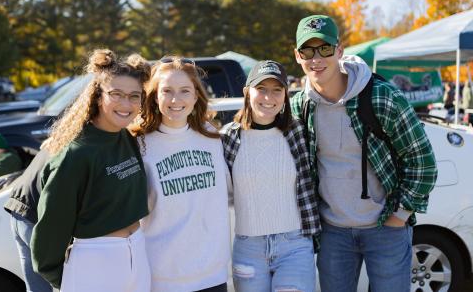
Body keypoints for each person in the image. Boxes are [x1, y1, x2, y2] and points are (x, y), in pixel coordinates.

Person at [291, 14, 438, 292]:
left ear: (339, 50)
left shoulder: (382, 97)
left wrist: (399, 217)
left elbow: (423, 163)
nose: (316, 58)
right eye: (307, 50)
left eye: (324, 48)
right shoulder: (301, 107)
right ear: (297, 55)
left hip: (386, 228)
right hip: (333, 233)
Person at [30, 49, 151, 292]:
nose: (126, 104)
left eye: (134, 96)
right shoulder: (77, 153)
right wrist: (67, 279)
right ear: (97, 96)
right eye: (116, 94)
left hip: (137, 252)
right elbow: (50, 230)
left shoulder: (125, 137)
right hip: (95, 259)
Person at [221, 60, 321, 292]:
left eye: (277, 90)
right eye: (261, 89)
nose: (269, 97)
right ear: (247, 92)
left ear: (285, 94)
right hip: (249, 248)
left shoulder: (298, 132)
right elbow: (223, 193)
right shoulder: (228, 137)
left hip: (294, 246)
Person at [132, 56, 230, 292]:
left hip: (212, 276)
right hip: (163, 279)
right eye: (167, 91)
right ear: (155, 96)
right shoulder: (139, 144)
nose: (176, 99)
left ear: (196, 96)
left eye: (185, 91)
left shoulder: (210, 135)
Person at [4, 149, 52, 292]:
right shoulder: (79, 148)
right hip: (32, 216)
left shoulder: (54, 143)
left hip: (17, 210)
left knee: (37, 287)